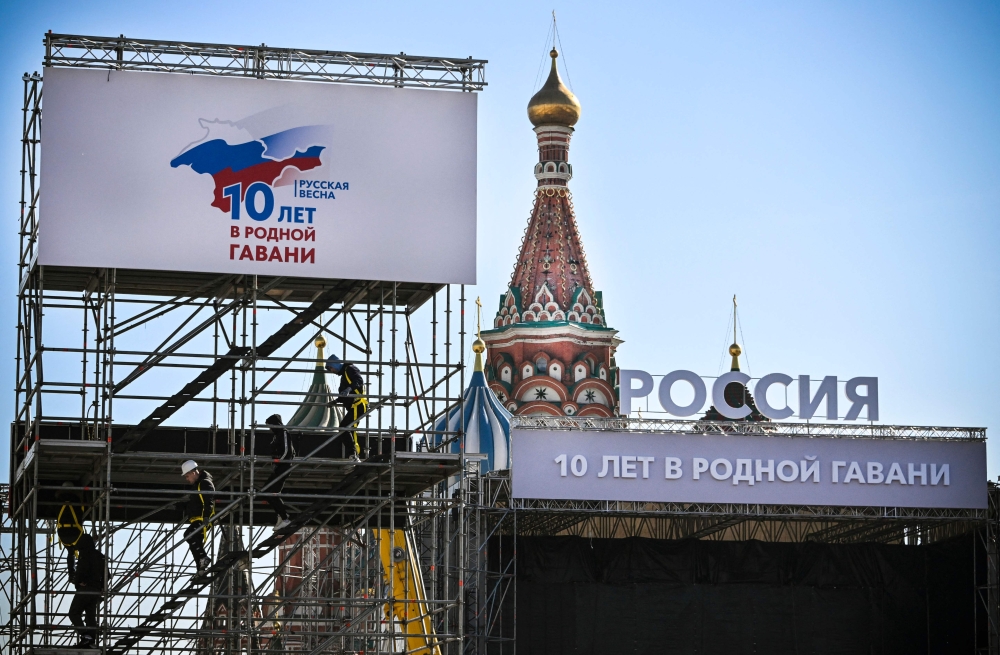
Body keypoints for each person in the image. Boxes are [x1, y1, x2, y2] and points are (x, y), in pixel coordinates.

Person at [325, 354, 369, 459]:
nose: (331, 371)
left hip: (358, 404)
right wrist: (337, 401)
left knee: (345, 428)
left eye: (331, 368)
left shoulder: (350, 369)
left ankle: (353, 454)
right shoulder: (344, 375)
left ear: (335, 364)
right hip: (354, 405)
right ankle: (354, 454)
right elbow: (344, 394)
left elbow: (359, 381)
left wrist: (349, 389)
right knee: (348, 428)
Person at [68, 533, 104, 648]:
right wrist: (102, 586)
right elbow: (107, 574)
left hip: (85, 588)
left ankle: (85, 636)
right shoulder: (99, 556)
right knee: (90, 616)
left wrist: (78, 582)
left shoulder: (85, 555)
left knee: (74, 612)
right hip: (96, 590)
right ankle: (91, 641)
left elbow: (81, 571)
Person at [180, 460, 215, 573]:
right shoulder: (198, 485)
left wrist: (206, 517)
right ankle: (201, 568)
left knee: (189, 535)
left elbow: (208, 501)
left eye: (187, 476)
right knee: (195, 543)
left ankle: (204, 559)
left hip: (202, 519)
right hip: (198, 518)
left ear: (193, 472)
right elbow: (196, 503)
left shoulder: (204, 483)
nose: (187, 479)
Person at [263, 414, 295, 531]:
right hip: (278, 468)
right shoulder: (276, 436)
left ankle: (285, 518)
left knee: (273, 492)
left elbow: (288, 451)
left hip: (283, 467)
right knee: (267, 491)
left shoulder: (284, 433)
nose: (270, 429)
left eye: (270, 426)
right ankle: (281, 516)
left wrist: (279, 461)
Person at [56, 481, 86, 580]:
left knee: (70, 552)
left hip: (63, 533)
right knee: (84, 551)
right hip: (75, 532)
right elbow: (81, 512)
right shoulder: (76, 500)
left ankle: (72, 574)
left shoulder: (58, 501)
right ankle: (82, 573)